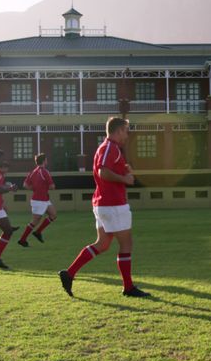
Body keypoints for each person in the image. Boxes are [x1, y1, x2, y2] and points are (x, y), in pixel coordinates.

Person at [58, 117, 150, 298]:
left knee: (103, 244)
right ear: (118, 131)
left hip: (103, 203)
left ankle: (69, 273)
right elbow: (103, 171)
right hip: (113, 204)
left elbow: (107, 169)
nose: (127, 134)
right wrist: (125, 179)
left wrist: (124, 170)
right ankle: (128, 287)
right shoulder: (111, 147)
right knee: (126, 243)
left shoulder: (107, 148)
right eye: (126, 130)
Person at [17, 153, 56, 247]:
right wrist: (44, 188)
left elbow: (25, 185)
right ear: (44, 161)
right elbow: (52, 186)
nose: (47, 161)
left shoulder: (33, 171)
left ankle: (38, 232)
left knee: (53, 215)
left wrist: (35, 188)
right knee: (35, 221)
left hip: (44, 199)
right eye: (46, 159)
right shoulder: (45, 171)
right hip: (39, 200)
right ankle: (22, 240)